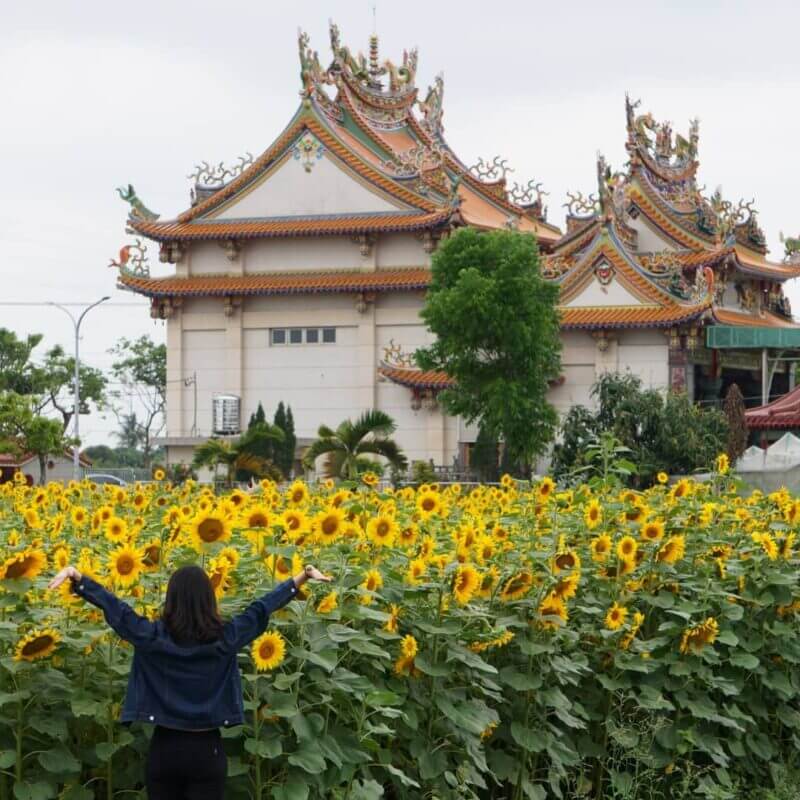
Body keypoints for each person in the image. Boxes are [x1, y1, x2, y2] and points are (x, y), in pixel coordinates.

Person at [48, 561, 333, 800]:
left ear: (170, 599)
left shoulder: (153, 638)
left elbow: (119, 612)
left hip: (165, 748)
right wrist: (302, 577)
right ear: (209, 599)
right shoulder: (225, 639)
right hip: (206, 750)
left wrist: (79, 578)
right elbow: (259, 610)